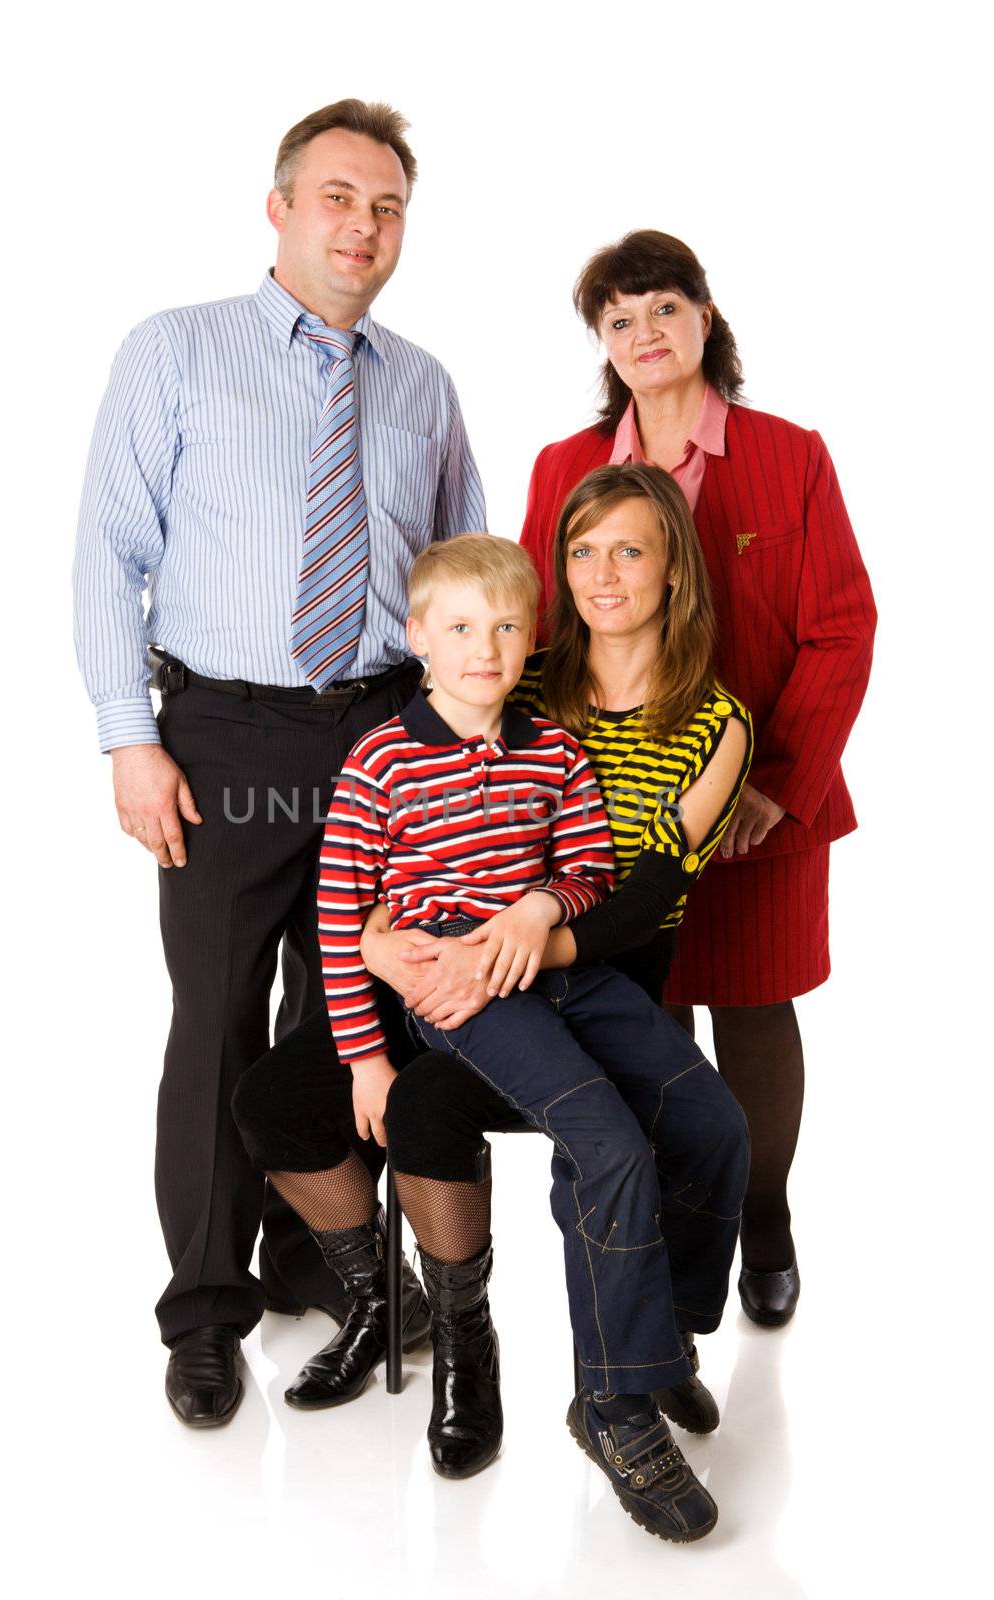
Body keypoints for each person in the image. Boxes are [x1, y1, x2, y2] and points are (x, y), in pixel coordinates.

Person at [72, 98, 485, 1427]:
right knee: (217, 1021)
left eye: (387, 207)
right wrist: (130, 737)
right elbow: (108, 554)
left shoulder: (423, 385)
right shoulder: (176, 353)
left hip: (379, 737)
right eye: (338, 197)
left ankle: (318, 1253)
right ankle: (204, 1310)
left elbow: (463, 574)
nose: (363, 227)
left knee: (349, 1021)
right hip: (224, 735)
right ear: (280, 206)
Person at [234, 496, 752, 1543]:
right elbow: (342, 916)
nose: (489, 648)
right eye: (464, 628)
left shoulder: (572, 740)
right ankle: (611, 1405)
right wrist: (372, 1044)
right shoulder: (392, 754)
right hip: (464, 998)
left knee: (717, 1125)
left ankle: (661, 1347)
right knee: (605, 1140)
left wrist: (535, 909)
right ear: (418, 636)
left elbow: (603, 875)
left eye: (508, 628)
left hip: (580, 970)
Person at [516, 231, 876, 1325]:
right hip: (608, 807)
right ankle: (678, 1233)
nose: (644, 333)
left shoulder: (788, 453)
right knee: (648, 1020)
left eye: (663, 308)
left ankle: (764, 1218)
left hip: (763, 811)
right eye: (618, 319)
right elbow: (537, 632)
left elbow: (840, 626)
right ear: (604, 345)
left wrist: (777, 780)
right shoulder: (562, 469)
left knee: (757, 1009)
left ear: (705, 318)